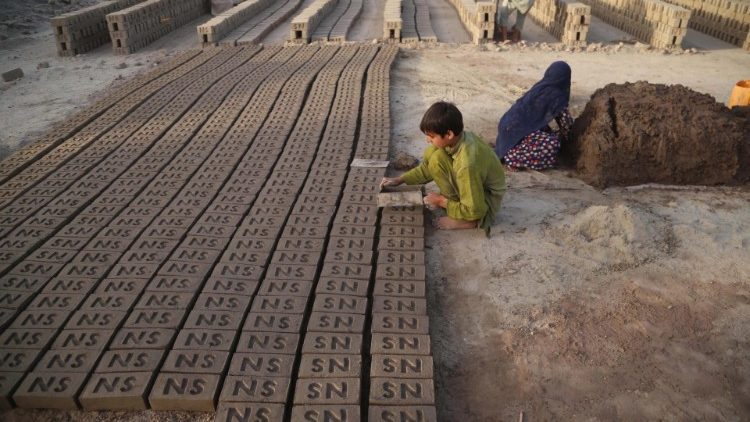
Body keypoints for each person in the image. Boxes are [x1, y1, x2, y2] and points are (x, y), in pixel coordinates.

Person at [382, 102, 506, 234]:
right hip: (476, 185)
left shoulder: (467, 164)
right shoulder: (458, 138)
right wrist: (400, 179)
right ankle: (455, 204)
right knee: (433, 155)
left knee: (437, 160)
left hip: (486, 200)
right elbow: (427, 169)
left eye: (431, 136)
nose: (428, 140)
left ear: (449, 134)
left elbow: (475, 209)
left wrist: (441, 201)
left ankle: (469, 221)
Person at [494, 61, 574, 171]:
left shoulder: (540, 87)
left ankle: (508, 151)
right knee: (553, 143)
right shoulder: (557, 96)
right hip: (516, 129)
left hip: (507, 125)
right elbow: (567, 125)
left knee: (548, 131)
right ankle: (512, 159)